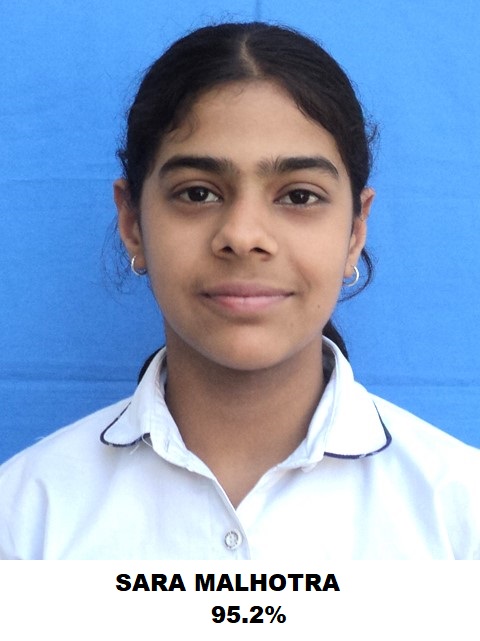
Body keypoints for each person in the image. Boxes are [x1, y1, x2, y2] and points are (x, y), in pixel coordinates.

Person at [0, 22, 479, 560]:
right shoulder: (26, 517)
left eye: (299, 196)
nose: (244, 235)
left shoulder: (459, 516)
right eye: (198, 193)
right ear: (132, 222)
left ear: (355, 231)